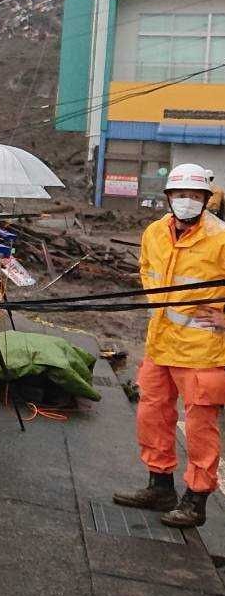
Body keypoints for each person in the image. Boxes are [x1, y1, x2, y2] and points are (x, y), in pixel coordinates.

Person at [113, 163, 225, 527]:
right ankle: (160, 486)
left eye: (194, 196)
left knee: (199, 427)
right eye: (181, 195)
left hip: (202, 352)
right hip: (161, 343)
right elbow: (148, 271)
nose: (187, 202)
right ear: (168, 198)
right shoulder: (154, 233)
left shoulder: (221, 238)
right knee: (152, 413)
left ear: (207, 200)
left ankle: (196, 500)